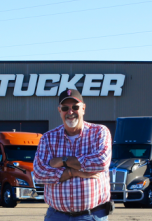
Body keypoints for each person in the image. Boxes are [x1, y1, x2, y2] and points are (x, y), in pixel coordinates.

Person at [33, 89, 113, 221]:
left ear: (83, 108)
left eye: (75, 107)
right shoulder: (48, 138)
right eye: (65, 108)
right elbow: (39, 174)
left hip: (92, 215)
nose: (70, 112)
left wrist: (61, 161)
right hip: (56, 215)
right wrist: (73, 172)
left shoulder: (99, 132)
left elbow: (101, 163)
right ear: (59, 110)